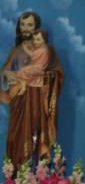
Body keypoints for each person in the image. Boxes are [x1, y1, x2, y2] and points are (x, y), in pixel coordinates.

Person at [0, 12, 63, 165]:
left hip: (38, 101)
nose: (25, 29)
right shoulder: (16, 52)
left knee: (39, 136)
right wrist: (16, 77)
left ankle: (39, 177)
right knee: (16, 138)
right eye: (22, 24)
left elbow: (57, 74)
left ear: (36, 27)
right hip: (20, 103)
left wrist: (44, 75)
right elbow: (3, 76)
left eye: (29, 25)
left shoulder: (47, 51)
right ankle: (16, 176)